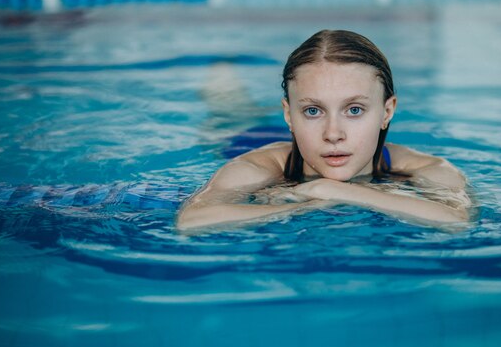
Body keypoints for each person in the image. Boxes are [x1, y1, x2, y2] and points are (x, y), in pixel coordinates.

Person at [176, 30, 471, 231]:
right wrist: (308, 207)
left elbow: (458, 221)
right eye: (313, 110)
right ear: (289, 115)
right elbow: (191, 220)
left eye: (354, 110)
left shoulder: (427, 168)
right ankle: (222, 81)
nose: (333, 133)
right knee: (228, 112)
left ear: (387, 111)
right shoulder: (256, 167)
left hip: (301, 146)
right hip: (241, 141)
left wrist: (330, 189)